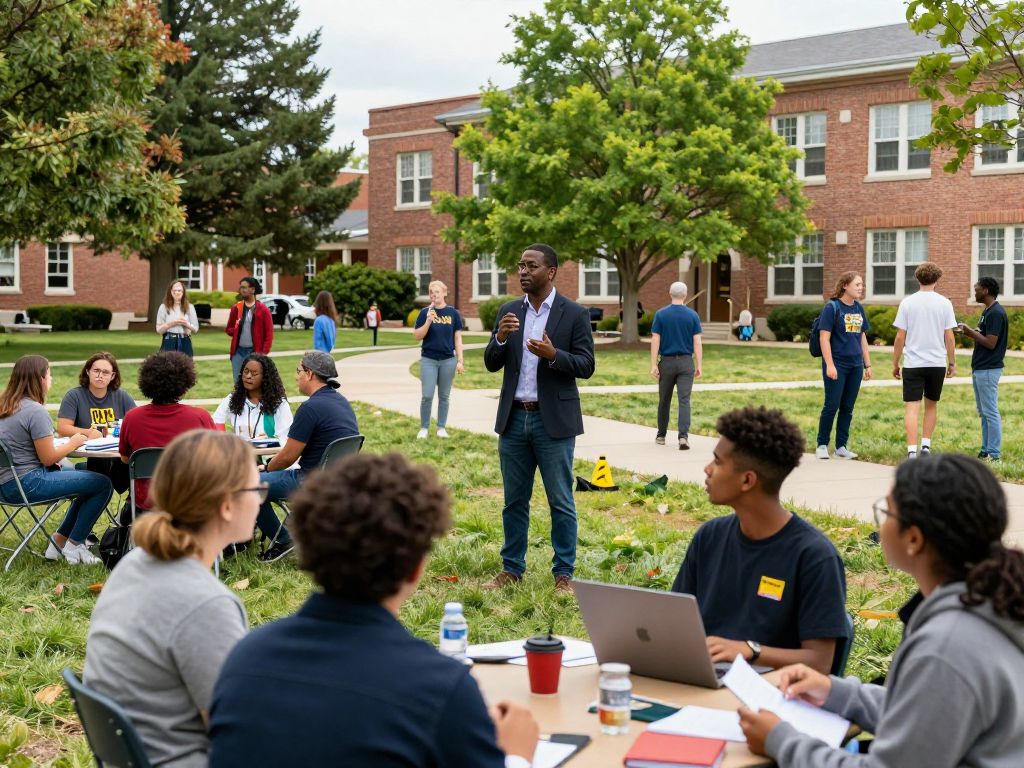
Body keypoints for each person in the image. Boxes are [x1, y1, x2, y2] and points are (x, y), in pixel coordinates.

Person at [208, 452, 539, 768]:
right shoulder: (439, 690)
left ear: (308, 551)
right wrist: (516, 756)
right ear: (416, 568)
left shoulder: (243, 659)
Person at [739, 453, 1024, 766]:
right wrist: (835, 692)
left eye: (886, 512)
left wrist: (780, 740)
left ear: (914, 539)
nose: (882, 521)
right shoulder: (992, 600)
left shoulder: (946, 647)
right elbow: (925, 714)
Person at [84, 430, 257, 768]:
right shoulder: (205, 604)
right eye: (256, 489)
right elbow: (239, 735)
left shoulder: (134, 564)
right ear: (226, 505)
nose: (261, 500)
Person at [671, 406, 849, 673]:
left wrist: (748, 651)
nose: (707, 469)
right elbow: (675, 621)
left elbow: (820, 662)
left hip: (771, 694)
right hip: (703, 678)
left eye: (718, 462)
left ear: (747, 480)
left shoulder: (814, 556)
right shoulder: (709, 536)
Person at [482, 244, 595, 592]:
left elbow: (586, 365)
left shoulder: (573, 313)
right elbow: (490, 362)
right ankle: (512, 568)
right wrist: (500, 338)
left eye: (531, 265)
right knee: (514, 500)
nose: (523, 271)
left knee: (560, 500)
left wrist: (553, 355)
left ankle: (564, 574)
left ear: (551, 271)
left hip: (554, 423)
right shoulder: (509, 311)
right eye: (520, 265)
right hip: (514, 419)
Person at [0, 356, 112, 564]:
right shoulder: (35, 411)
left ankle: (59, 542)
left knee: (85, 474)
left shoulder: (4, 404)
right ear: (40, 379)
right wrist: (75, 441)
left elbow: (23, 449)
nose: (50, 379)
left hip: (4, 485)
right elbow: (48, 456)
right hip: (26, 484)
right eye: (49, 374)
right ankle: (75, 545)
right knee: (102, 484)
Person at [256, 351, 358, 562]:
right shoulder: (342, 403)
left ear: (310, 374)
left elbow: (287, 458)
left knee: (249, 486)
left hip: (310, 481)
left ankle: (284, 539)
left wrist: (265, 469)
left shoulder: (311, 408)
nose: (296, 376)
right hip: (341, 481)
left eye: (298, 371)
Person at [119, 352, 216, 512]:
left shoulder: (132, 417)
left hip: (146, 503)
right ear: (184, 386)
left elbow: (125, 458)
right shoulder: (200, 417)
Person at [892, 262, 957, 459]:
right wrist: (952, 362)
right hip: (937, 363)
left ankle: (912, 450)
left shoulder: (907, 303)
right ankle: (926, 447)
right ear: (937, 280)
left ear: (917, 278)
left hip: (913, 364)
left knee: (912, 407)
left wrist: (895, 363)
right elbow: (950, 338)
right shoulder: (945, 303)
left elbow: (899, 338)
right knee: (931, 404)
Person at [57, 352, 137, 493]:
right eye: (96, 370)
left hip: (119, 459)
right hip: (92, 457)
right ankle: (101, 488)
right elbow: (63, 428)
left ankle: (129, 509)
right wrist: (89, 433)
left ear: (113, 376)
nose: (100, 375)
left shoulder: (122, 396)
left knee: (136, 471)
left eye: (106, 372)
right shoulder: (74, 395)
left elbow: (137, 425)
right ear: (88, 371)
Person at [816, 273, 873, 460]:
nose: (861, 287)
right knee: (831, 405)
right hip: (837, 364)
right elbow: (824, 338)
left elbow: (862, 336)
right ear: (845, 286)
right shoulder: (832, 307)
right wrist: (830, 365)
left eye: (862, 284)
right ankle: (822, 444)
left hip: (855, 365)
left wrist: (867, 364)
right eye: (857, 284)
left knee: (847, 407)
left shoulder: (858, 308)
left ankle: (841, 446)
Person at [957, 276, 1008, 462]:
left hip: (988, 369)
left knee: (990, 411)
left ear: (985, 290)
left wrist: (970, 332)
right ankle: (986, 449)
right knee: (984, 412)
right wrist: (969, 332)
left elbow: (991, 343)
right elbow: (984, 336)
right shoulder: (987, 311)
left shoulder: (995, 313)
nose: (974, 292)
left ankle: (994, 454)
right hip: (980, 368)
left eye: (976, 289)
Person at [649, 281, 703, 450]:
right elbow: (697, 341)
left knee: (664, 399)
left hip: (666, 362)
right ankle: (683, 437)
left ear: (670, 293)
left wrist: (653, 364)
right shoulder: (693, 315)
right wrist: (699, 364)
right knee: (684, 400)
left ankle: (661, 435)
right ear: (685, 295)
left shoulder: (660, 314)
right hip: (687, 362)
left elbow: (655, 339)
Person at [414, 280, 464, 439]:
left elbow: (457, 338)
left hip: (448, 360)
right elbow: (417, 336)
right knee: (427, 395)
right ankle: (424, 427)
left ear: (444, 293)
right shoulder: (424, 313)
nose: (433, 294)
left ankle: (441, 427)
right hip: (429, 359)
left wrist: (460, 360)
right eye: (431, 292)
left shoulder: (453, 313)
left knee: (444, 396)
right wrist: (428, 320)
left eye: (436, 291)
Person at [213, 354, 292, 442]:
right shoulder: (233, 398)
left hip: (270, 454)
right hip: (241, 454)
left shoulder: (279, 403)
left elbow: (285, 438)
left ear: (265, 378)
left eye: (254, 373)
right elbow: (216, 421)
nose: (248, 376)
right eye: (246, 372)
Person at [225, 276, 273, 381]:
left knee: (253, 383)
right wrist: (236, 329)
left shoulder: (263, 310)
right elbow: (228, 329)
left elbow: (269, 334)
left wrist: (262, 354)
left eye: (244, 287)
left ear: (252, 289)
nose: (241, 290)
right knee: (238, 384)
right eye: (240, 287)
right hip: (238, 353)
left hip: (255, 353)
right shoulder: (236, 308)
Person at [156, 279, 199, 357]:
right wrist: (171, 324)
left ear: (183, 292)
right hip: (169, 341)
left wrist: (186, 324)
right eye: (174, 290)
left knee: (185, 366)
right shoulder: (163, 307)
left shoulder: (190, 307)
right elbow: (159, 330)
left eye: (179, 290)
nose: (177, 293)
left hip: (185, 341)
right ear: (170, 292)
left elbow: (195, 329)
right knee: (167, 366)